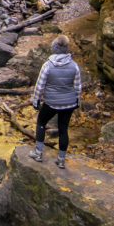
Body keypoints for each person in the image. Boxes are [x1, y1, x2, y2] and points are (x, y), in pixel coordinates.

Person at [30, 34, 81, 168]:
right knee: (63, 129)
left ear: (54, 48)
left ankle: (38, 153)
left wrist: (36, 101)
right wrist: (77, 101)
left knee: (41, 122)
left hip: (51, 103)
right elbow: (77, 87)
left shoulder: (47, 65)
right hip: (69, 103)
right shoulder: (74, 66)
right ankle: (61, 160)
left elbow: (39, 86)